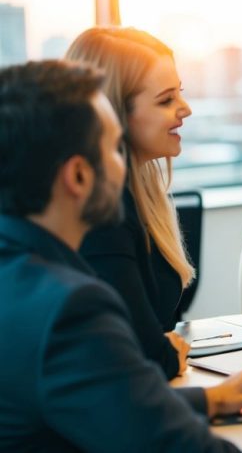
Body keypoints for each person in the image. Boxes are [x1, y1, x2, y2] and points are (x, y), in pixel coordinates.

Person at [0, 60, 242, 451]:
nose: (125, 165)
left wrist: (208, 399)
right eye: (115, 149)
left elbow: (102, 400)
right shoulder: (68, 310)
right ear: (79, 176)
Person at [64, 26, 194, 379]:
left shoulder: (141, 190)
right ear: (113, 112)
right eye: (166, 100)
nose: (186, 109)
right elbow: (144, 357)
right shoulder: (104, 208)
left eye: (180, 94)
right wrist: (167, 354)